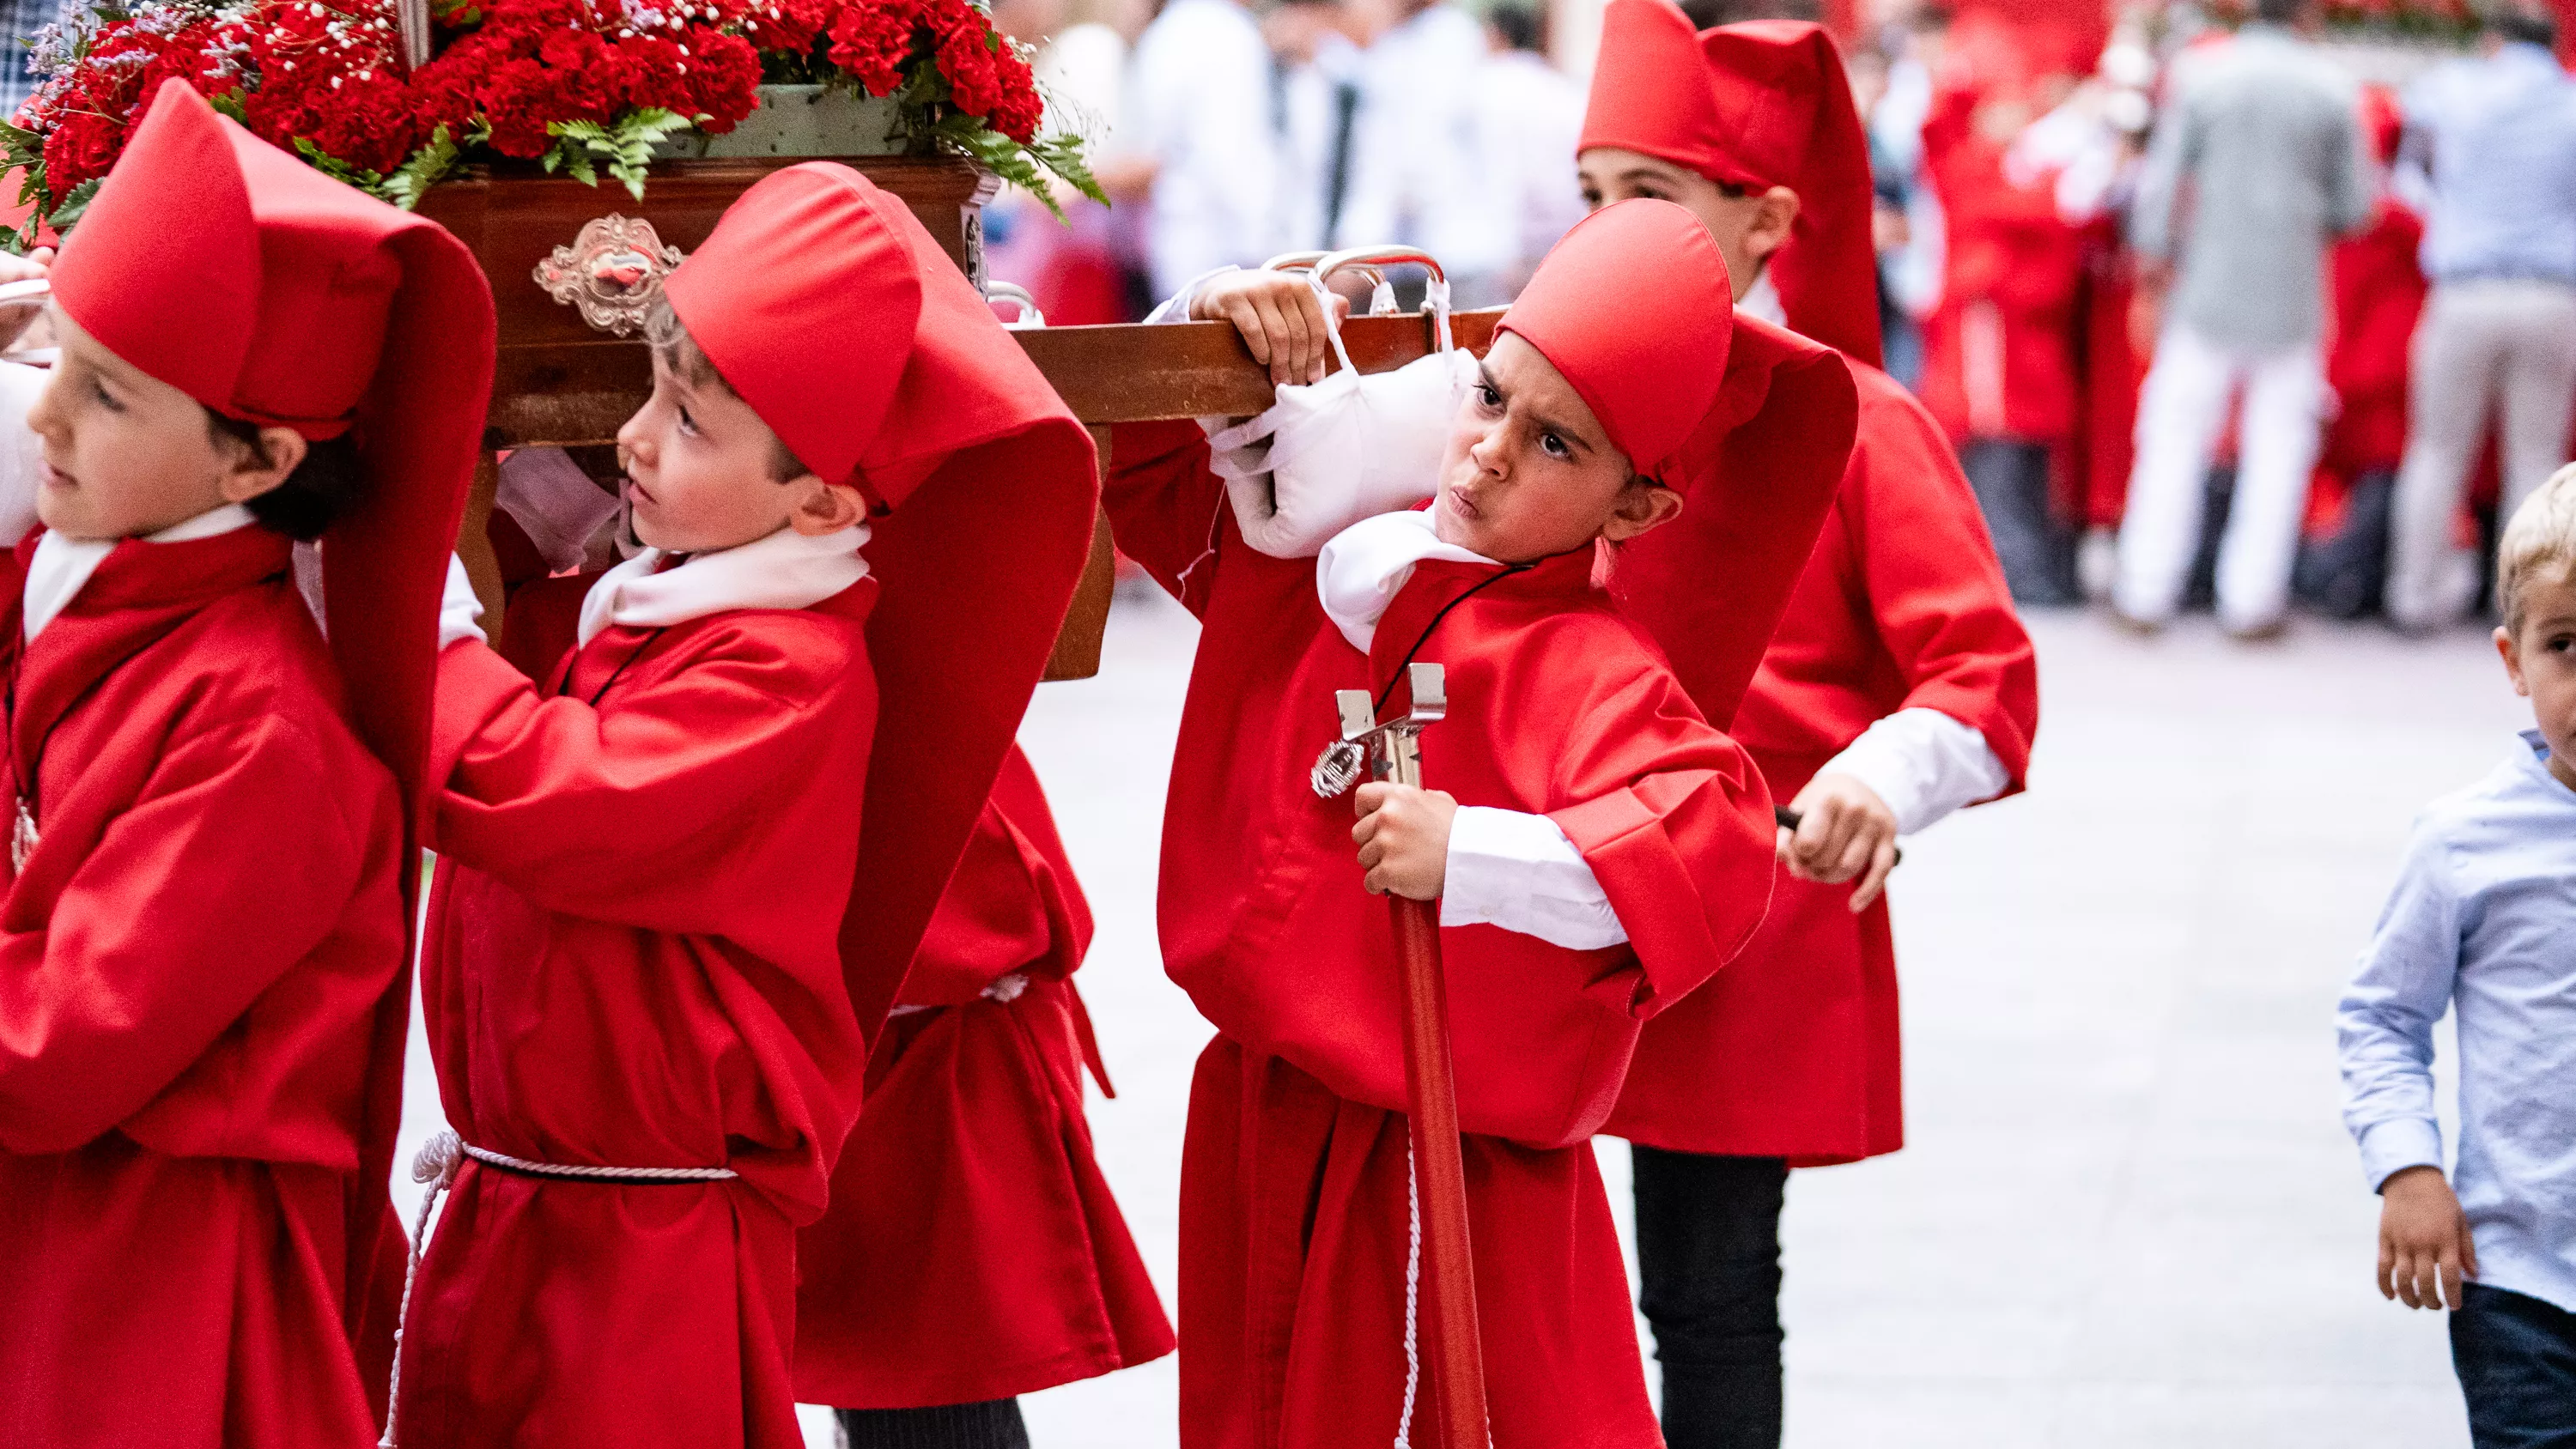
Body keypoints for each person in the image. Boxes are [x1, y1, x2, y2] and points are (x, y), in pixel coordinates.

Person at [1104, 200, 1857, 1447]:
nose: (1492, 452)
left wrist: (1480, 857)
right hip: (1258, 1127)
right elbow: (1149, 467)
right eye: (1492, 397)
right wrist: (1213, 322)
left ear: (1637, 512)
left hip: (1437, 1173)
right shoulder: (1324, 565)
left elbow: (1710, 843)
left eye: (1557, 444)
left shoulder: (1592, 667)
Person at [386, 163, 1099, 1447]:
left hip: (639, 1244)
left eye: (692, 423)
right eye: (651, 393)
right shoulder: (682, 598)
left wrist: (423, 625)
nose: (638, 440)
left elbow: (556, 799)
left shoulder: (785, 667)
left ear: (823, 502)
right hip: (548, 1204)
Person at [0, 79, 494, 1447]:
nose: (44, 421)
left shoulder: (266, 730)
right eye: (52, 357)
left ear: (259, 457)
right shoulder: (94, 592)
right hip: (74, 1228)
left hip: (168, 1282)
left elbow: (57, 1047)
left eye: (101, 396)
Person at [1574, 7, 2038, 1446]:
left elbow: (1984, 672)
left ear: (1766, 217)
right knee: (1528, 1284)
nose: (1605, 233)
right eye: (1589, 198)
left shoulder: (1857, 415)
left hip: (1733, 909)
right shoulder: (1545, 392)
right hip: (1536, 887)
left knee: (1706, 1296)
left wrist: (1877, 778)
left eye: (1647, 196)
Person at [795, 745, 1176, 1447]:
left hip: (934, 1080)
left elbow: (1011, 905)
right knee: (897, 1382)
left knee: (918, 1383)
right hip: (892, 1073)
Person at [2336, 464, 2576, 1448]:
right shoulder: (2466, 843)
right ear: (2515, 661)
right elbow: (2382, 1015)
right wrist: (2409, 1168)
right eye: (2569, 644)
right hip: (2523, 1289)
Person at [2112, 0, 2370, 637]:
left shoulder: (2203, 76)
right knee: (2278, 450)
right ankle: (2251, 603)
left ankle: (2145, 592)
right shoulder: (2333, 89)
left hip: (2204, 288)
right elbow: (2356, 206)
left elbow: (2162, 187)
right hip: (2291, 296)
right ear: (2307, 17)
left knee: (2172, 437)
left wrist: (2155, 264)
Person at [2382, 5, 2576, 633]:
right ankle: (2526, 614)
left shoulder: (2450, 89)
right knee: (2534, 459)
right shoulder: (2570, 104)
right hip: (2549, 295)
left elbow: (2406, 170)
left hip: (2464, 291)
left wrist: (2447, 212)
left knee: (2436, 450)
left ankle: (2414, 596)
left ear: (2493, 41)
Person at [1340, 0, 1511, 302]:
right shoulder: (1400, 43)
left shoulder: (1445, 40)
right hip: (1420, 259)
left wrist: (1357, 252)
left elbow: (1413, 158)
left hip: (1447, 259)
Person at [1121, 0, 1280, 297]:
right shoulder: (1223, 31)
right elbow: (1228, 160)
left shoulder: (1173, 31)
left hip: (1186, 251)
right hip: (1220, 253)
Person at [1473, 3, 1586, 296]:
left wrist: (1503, 252)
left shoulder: (1490, 86)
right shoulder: (1561, 87)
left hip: (1509, 251)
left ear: (1496, 36)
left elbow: (1499, 170)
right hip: (1566, 242)